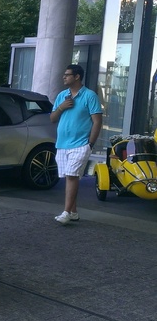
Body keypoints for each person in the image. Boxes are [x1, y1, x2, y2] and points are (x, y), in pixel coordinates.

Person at [50, 64, 102, 225]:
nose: (64, 77)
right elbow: (52, 118)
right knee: (68, 177)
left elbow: (97, 121)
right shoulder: (62, 95)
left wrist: (90, 144)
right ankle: (73, 212)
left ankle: (66, 212)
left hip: (80, 144)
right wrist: (61, 107)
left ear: (77, 77)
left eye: (67, 75)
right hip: (62, 144)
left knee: (72, 176)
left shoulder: (89, 96)